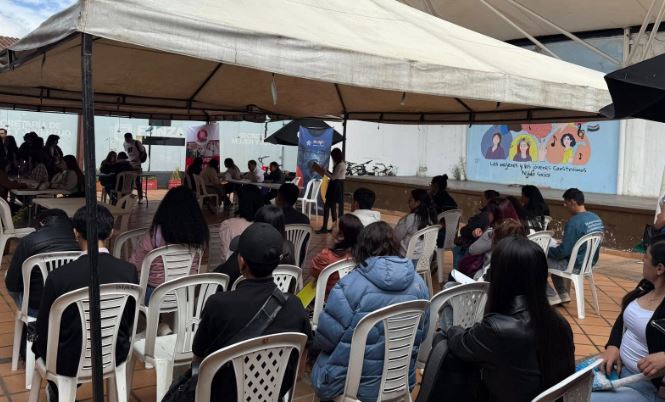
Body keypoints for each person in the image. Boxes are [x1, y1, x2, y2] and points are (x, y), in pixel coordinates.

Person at [439, 236, 575, 402]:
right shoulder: (560, 323)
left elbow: (460, 344)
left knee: (444, 346)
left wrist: (452, 328)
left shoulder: (497, 329)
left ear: (500, 276)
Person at [192, 223, 312, 401]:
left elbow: (198, 358)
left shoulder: (218, 304)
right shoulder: (294, 305)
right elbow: (299, 373)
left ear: (241, 261)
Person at [311, 221, 430, 401]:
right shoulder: (420, 285)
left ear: (362, 248)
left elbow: (325, 340)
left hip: (352, 386)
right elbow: (423, 334)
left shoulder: (349, 285)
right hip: (399, 381)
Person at [33, 205, 138, 401]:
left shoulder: (59, 276)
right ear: (111, 233)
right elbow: (129, 317)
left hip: (68, 361)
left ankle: (57, 389)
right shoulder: (128, 271)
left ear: (76, 233)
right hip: (114, 353)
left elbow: (44, 327)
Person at [593, 236, 665, 402]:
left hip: (645, 385)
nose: (643, 260)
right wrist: (613, 346)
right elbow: (623, 319)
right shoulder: (646, 286)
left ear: (659, 268)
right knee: (565, 386)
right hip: (618, 370)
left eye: (646, 256)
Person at [129, 186, 208, 304]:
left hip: (155, 296)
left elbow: (134, 265)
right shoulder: (200, 235)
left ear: (165, 209)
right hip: (185, 294)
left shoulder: (154, 235)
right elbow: (202, 266)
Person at [5, 209, 79, 317]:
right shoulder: (80, 240)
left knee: (9, 276)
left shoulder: (28, 241)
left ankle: (27, 316)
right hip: (72, 308)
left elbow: (12, 285)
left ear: (41, 223)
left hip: (36, 309)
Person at [547, 188, 604, 305]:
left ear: (573, 202)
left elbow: (562, 253)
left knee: (535, 261)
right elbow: (583, 240)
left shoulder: (574, 222)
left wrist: (545, 249)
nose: (564, 205)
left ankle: (551, 295)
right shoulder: (596, 218)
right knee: (554, 259)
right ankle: (563, 294)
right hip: (588, 263)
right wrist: (565, 244)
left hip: (574, 264)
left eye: (566, 202)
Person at [216, 205, 296, 286]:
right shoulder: (288, 248)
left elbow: (225, 275)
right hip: (278, 290)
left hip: (246, 290)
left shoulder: (248, 248)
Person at [311, 213, 363, 298]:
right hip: (352, 300)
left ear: (341, 236)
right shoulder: (362, 256)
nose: (332, 225)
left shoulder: (326, 256)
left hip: (327, 300)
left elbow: (313, 272)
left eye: (335, 225)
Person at [466, 198, 522, 268]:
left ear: (496, 214)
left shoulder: (496, 232)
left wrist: (483, 236)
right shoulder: (518, 228)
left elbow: (472, 250)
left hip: (489, 271)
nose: (487, 215)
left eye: (489, 212)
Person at [219, 185, 265, 262]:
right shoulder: (267, 224)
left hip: (235, 267)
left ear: (241, 203)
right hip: (261, 268)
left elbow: (225, 257)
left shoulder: (228, 225)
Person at [394, 188, 437, 258]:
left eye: (410, 200)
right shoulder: (432, 219)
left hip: (406, 258)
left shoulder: (410, 218)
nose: (408, 202)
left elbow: (396, 238)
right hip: (426, 259)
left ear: (418, 203)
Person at [317, 148, 346, 234]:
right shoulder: (340, 163)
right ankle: (333, 227)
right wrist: (326, 171)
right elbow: (334, 175)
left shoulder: (340, 164)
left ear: (336, 156)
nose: (332, 158)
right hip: (335, 185)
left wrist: (324, 172)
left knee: (327, 207)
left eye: (333, 156)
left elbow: (333, 177)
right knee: (332, 207)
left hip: (336, 186)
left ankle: (325, 228)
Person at [123, 132, 146, 201]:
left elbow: (142, 152)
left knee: (137, 181)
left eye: (128, 139)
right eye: (126, 139)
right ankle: (129, 197)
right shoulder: (124, 143)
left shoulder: (137, 143)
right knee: (129, 181)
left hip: (137, 164)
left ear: (131, 138)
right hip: (130, 164)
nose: (127, 141)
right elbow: (128, 153)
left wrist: (138, 159)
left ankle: (140, 197)